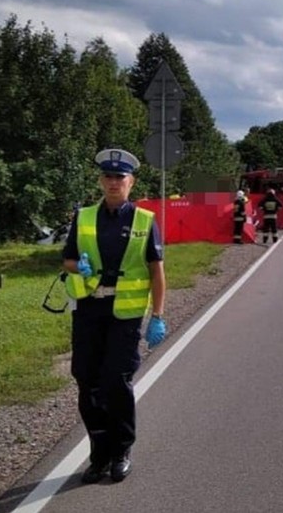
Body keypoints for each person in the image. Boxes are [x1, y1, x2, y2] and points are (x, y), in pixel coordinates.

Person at [62, 148, 167, 485]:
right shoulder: (84, 216)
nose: (113, 182)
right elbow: (67, 259)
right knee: (86, 379)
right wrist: (79, 265)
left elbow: (157, 271)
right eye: (108, 176)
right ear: (100, 180)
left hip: (125, 314)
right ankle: (99, 453)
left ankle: (121, 450)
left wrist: (158, 315)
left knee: (115, 381)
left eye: (120, 177)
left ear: (130, 182)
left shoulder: (144, 220)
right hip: (89, 310)